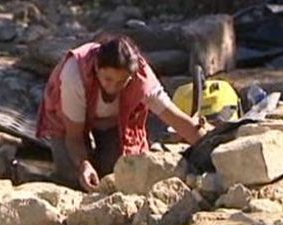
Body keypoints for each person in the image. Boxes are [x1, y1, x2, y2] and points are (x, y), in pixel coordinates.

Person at [36, 32, 209, 192]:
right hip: (67, 123)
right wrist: (84, 164)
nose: (112, 88)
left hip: (113, 121)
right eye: (108, 79)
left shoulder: (143, 80)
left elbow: (177, 120)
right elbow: (73, 137)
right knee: (73, 178)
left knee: (117, 173)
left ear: (132, 76)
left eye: (121, 82)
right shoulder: (74, 74)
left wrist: (210, 148)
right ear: (97, 68)